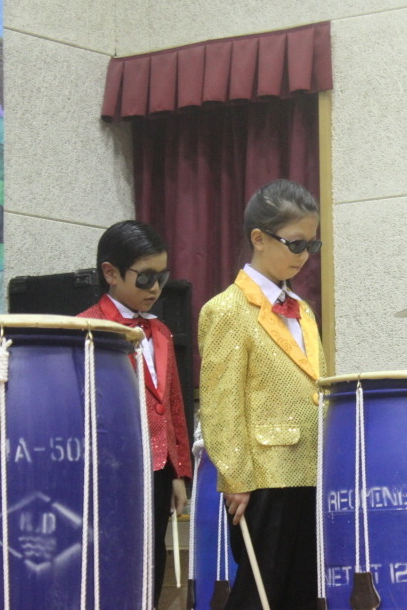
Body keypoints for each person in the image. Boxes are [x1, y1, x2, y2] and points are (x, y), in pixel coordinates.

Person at [198, 178, 328, 610]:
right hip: (262, 477)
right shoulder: (226, 309)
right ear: (258, 238)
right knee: (260, 593)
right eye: (295, 244)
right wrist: (236, 477)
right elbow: (220, 403)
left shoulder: (303, 310)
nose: (303, 256)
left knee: (302, 593)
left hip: (310, 469)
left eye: (311, 245)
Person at [76, 220, 192, 605]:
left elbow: (172, 406)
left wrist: (179, 471)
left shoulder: (161, 332)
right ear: (111, 273)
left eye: (162, 277)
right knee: (110, 555)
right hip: (110, 468)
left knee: (154, 555)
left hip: (158, 468)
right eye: (145, 278)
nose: (155, 288)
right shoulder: (86, 329)